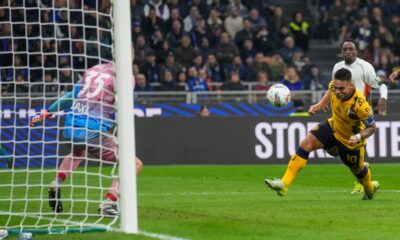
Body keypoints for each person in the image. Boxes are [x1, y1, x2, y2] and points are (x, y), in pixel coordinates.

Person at [29, 62, 143, 217]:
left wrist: (46, 113)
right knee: (134, 164)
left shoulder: (92, 70)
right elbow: (121, 105)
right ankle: (109, 203)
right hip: (92, 130)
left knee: (78, 152)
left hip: (70, 127)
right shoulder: (125, 76)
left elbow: (70, 96)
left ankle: (56, 183)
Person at [265, 68, 380, 200]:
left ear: (351, 85)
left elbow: (372, 127)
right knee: (306, 143)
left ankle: (370, 189)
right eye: (335, 87)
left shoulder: (361, 105)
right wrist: (319, 105)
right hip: (333, 126)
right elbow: (330, 92)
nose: (337, 91)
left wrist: (358, 136)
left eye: (341, 89)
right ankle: (284, 184)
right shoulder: (334, 86)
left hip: (351, 140)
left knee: (358, 171)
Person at [309, 39, 388, 194]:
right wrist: (320, 104)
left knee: (355, 147)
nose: (348, 52)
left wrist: (383, 98)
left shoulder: (365, 67)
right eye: (345, 49)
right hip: (342, 113)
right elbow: (333, 89)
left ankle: (361, 184)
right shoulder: (337, 67)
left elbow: (381, 84)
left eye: (351, 49)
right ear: (342, 51)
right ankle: (364, 171)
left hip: (360, 113)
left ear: (356, 51)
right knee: (334, 150)